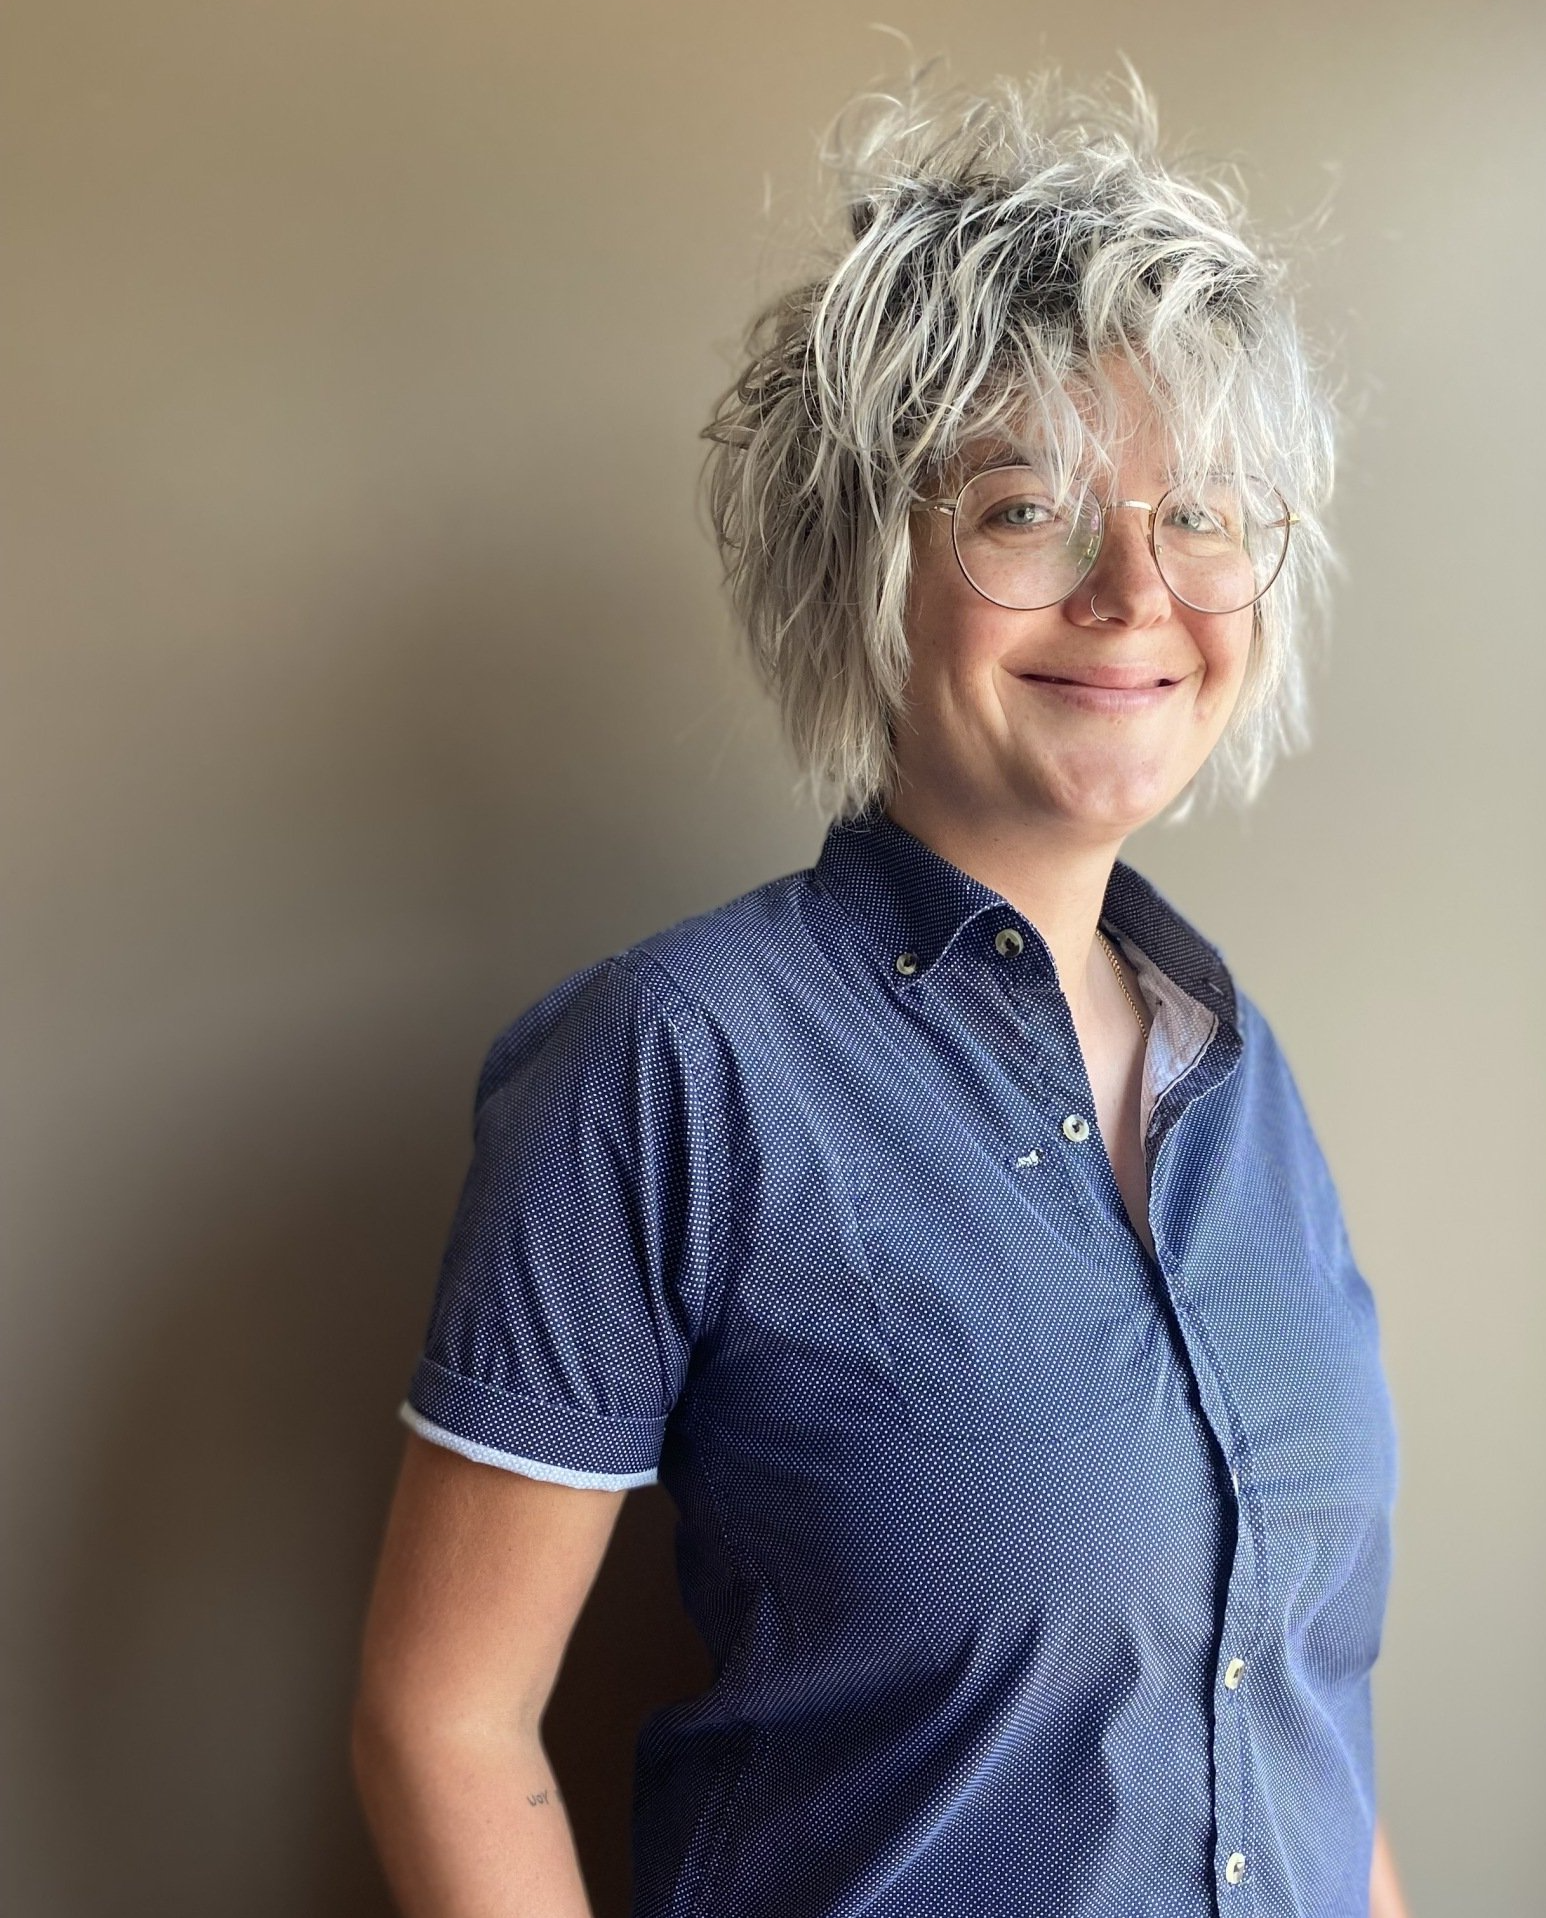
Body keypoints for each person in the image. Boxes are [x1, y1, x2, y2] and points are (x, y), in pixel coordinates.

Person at [350, 64, 1409, 1918]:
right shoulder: (674, 1063)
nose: (1134, 593)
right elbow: (442, 1719)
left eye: (1207, 514)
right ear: (872, 561)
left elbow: (1302, 1718)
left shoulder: (1247, 1081)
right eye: (1028, 511)